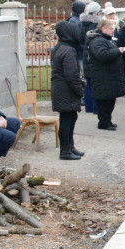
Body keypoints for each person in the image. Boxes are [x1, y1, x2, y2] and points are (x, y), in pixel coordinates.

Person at [51, 21, 86, 161]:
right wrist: (80, 90)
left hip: (63, 89)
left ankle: (70, 147)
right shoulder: (68, 50)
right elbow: (71, 75)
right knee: (66, 120)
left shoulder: (62, 47)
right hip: (65, 90)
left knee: (71, 117)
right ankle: (65, 151)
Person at [86, 17, 125, 131]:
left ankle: (107, 121)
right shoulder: (97, 41)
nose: (112, 31)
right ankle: (104, 122)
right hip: (102, 76)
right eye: (110, 29)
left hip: (109, 75)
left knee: (110, 100)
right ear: (103, 29)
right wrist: (118, 51)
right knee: (104, 102)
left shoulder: (106, 39)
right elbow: (102, 55)